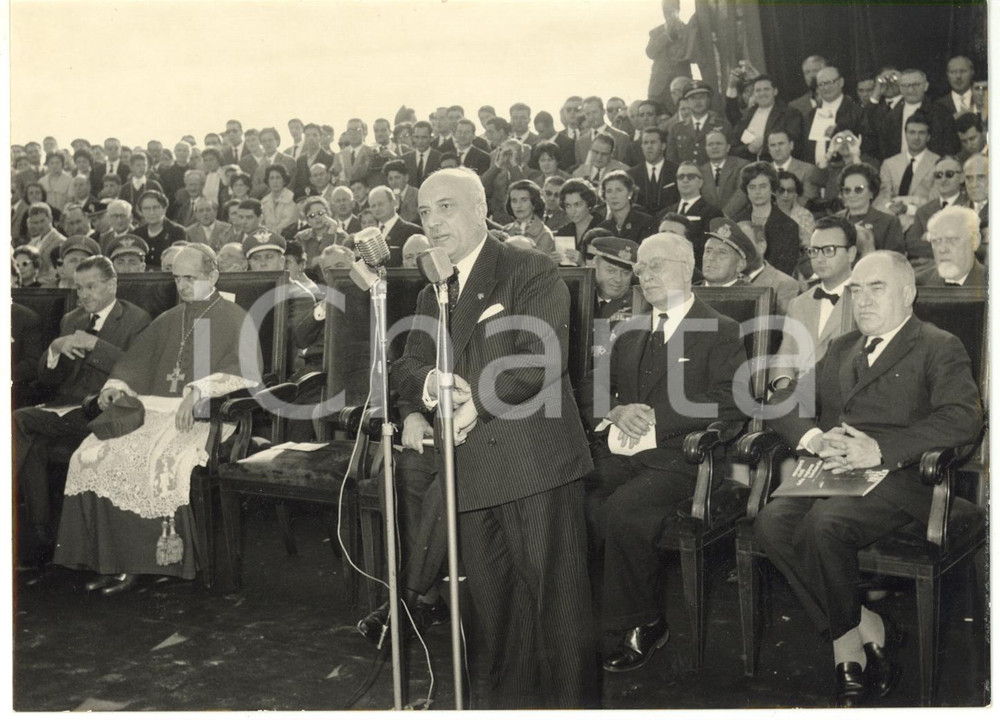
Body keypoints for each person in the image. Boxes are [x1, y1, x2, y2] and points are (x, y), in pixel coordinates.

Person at [393, 168, 596, 708]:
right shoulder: (431, 290)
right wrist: (433, 388)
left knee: (559, 615)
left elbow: (540, 354)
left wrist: (474, 401)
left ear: (481, 209)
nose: (433, 223)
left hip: (535, 468)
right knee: (498, 623)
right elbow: (408, 365)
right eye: (425, 212)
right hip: (471, 475)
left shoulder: (527, 267)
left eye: (446, 207)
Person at [755, 251, 982, 707]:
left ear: (908, 293)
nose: (862, 299)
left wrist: (880, 450)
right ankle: (868, 624)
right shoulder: (842, 348)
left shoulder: (938, 345)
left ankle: (847, 656)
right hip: (837, 471)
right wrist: (815, 438)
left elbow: (963, 419)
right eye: (856, 289)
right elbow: (780, 403)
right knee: (771, 523)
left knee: (825, 527)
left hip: (902, 477)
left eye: (875, 287)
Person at [577, 232, 746, 673]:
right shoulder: (627, 330)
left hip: (685, 459)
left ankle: (643, 624)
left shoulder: (721, 330)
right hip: (625, 453)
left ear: (686, 269)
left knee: (624, 509)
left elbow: (731, 401)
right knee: (575, 495)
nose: (644, 276)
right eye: (640, 268)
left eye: (655, 266)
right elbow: (590, 388)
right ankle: (581, 618)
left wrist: (653, 418)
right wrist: (615, 409)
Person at [53, 244, 263, 593]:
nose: (182, 285)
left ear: (212, 275)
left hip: (208, 418)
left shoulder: (233, 317)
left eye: (190, 277)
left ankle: (150, 563)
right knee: (91, 456)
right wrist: (116, 386)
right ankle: (109, 560)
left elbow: (245, 373)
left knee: (159, 463)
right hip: (156, 410)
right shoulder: (170, 318)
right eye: (177, 278)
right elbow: (136, 362)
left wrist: (198, 391)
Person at [15, 256, 151, 566]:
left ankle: (40, 535)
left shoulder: (136, 320)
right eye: (78, 288)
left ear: (112, 285)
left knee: (23, 427)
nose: (84, 295)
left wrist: (95, 345)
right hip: (67, 407)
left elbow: (137, 372)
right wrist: (54, 350)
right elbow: (51, 380)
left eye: (91, 287)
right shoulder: (71, 320)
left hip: (103, 409)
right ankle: (42, 532)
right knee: (21, 425)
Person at [770, 216, 858, 388]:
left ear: (851, 253)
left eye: (829, 250)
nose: (820, 259)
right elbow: (784, 357)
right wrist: (785, 390)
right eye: (814, 251)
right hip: (798, 403)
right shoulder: (798, 303)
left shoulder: (866, 299)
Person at [873, 112, 941, 232]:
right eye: (912, 132)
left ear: (928, 137)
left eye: (921, 133)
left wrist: (907, 208)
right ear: (905, 134)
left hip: (922, 223)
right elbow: (882, 197)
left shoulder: (938, 163)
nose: (916, 137)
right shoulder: (889, 164)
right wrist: (890, 206)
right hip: (891, 221)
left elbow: (935, 201)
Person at [730, 162, 801, 277]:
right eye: (752, 187)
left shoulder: (789, 225)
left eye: (763, 186)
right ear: (746, 190)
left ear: (772, 188)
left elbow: (786, 268)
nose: (757, 192)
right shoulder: (736, 222)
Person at [902, 155, 969, 269]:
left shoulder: (969, 207)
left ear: (962, 177)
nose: (943, 180)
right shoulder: (923, 211)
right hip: (928, 271)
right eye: (938, 175)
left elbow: (968, 246)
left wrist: (930, 238)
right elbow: (911, 245)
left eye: (949, 174)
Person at [730, 75, 804, 162]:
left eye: (766, 89)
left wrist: (763, 146)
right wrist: (748, 148)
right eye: (758, 90)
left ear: (775, 91)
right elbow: (733, 148)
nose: (762, 94)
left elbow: (793, 143)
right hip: (749, 167)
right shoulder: (747, 115)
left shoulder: (789, 113)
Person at [836, 162, 905, 255]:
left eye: (858, 189)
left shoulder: (889, 222)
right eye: (847, 190)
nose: (852, 195)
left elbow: (895, 262)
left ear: (871, 192)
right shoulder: (836, 220)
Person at [660, 163, 723, 263]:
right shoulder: (664, 213)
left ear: (700, 182)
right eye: (681, 177)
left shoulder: (712, 212)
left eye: (691, 176)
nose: (685, 180)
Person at [804, 66, 865, 166]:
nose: (826, 87)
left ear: (841, 82)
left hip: (844, 170)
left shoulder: (856, 111)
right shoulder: (811, 114)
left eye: (830, 82)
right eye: (822, 84)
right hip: (816, 172)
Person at [665, 81, 734, 167]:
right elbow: (671, 161)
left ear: (708, 100)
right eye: (693, 98)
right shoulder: (677, 129)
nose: (697, 102)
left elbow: (731, 158)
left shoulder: (723, 127)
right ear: (687, 102)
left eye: (702, 97)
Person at [916, 205, 987, 287]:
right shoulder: (918, 286)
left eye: (952, 240)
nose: (942, 249)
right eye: (936, 241)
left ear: (975, 241)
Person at [364, 185, 423, 267]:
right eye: (373, 206)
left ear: (394, 203)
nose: (377, 208)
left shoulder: (413, 231)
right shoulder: (369, 235)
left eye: (380, 204)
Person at [627, 127, 679, 216]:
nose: (649, 146)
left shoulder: (676, 171)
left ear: (663, 146)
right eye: (645, 143)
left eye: (653, 142)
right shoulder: (631, 174)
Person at [699, 129, 750, 218]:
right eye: (710, 144)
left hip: (737, 219)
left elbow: (742, 193)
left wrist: (723, 216)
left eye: (719, 143)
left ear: (728, 147)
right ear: (705, 149)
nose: (714, 147)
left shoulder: (742, 165)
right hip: (708, 221)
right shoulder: (700, 171)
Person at [133, 189, 188, 270]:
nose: (151, 212)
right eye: (146, 208)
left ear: (164, 209)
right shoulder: (137, 234)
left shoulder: (177, 231)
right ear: (141, 212)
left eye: (155, 208)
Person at [587, 235, 637, 323]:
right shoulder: (582, 299)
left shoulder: (639, 306)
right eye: (611, 271)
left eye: (626, 273)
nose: (618, 279)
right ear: (595, 265)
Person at [597, 171, 656, 244]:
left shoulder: (646, 222)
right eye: (609, 191)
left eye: (619, 190)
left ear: (630, 193)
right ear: (604, 195)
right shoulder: (602, 228)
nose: (613, 196)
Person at [502, 179, 557, 256]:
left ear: (534, 203)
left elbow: (539, 266)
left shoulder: (544, 234)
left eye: (524, 200)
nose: (518, 205)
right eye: (514, 201)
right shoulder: (505, 230)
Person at [697, 217, 757, 286]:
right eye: (708, 251)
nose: (711, 257)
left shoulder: (754, 296)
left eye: (722, 252)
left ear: (740, 265)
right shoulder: (687, 294)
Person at [576, 96, 634, 166]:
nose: (592, 117)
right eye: (588, 114)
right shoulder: (580, 142)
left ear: (603, 112)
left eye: (594, 112)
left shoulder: (621, 137)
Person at [556, 178, 603, 253]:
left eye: (577, 205)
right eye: (568, 206)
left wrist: (582, 262)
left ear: (588, 203)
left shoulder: (603, 228)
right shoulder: (563, 232)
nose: (573, 211)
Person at [24, 203, 66, 286]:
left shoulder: (60, 241)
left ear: (50, 218)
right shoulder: (33, 242)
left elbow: (58, 273)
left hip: (49, 288)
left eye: (42, 221)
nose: (39, 225)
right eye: (35, 223)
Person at [775, 170, 816, 251]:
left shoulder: (805, 215)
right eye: (781, 190)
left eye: (790, 190)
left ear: (796, 193)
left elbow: (810, 244)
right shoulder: (765, 212)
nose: (785, 195)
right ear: (774, 191)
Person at [253, 127, 297, 198]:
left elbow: (289, 185)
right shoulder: (260, 165)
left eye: (270, 140)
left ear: (277, 141)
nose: (267, 144)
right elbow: (254, 190)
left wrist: (264, 186)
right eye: (264, 141)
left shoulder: (288, 160)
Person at [402, 121, 442, 187]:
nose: (420, 141)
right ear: (413, 138)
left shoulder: (439, 158)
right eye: (417, 137)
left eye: (424, 137)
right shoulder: (404, 159)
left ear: (431, 138)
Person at [260, 164, 298, 234]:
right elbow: (262, 223)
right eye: (271, 178)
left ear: (284, 180)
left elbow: (288, 223)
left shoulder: (292, 199)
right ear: (268, 181)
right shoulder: (264, 201)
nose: (275, 181)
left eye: (278, 178)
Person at [383, 159, 419, 224]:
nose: (394, 182)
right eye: (390, 179)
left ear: (406, 177)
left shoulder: (417, 194)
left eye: (397, 177)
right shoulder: (388, 198)